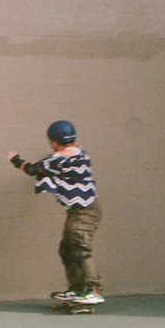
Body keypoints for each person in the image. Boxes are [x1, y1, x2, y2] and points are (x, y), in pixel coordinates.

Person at [6, 120, 102, 304]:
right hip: (80, 210)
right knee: (66, 248)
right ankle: (77, 289)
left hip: (85, 211)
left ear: (54, 141)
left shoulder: (58, 159)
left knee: (79, 249)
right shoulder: (80, 152)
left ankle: (94, 290)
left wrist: (15, 160)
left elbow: (33, 169)